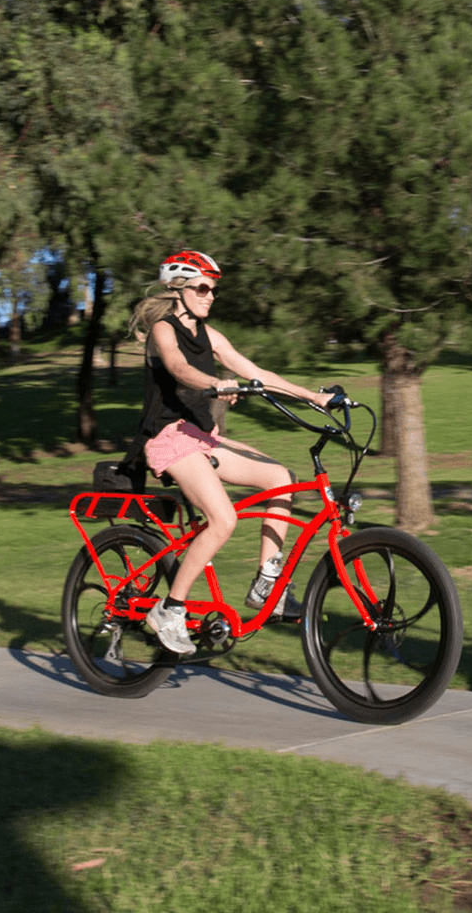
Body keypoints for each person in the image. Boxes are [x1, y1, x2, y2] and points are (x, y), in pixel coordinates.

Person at [127, 250, 337, 654]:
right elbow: (178, 367)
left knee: (281, 479)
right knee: (223, 519)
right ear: (178, 288)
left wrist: (314, 397)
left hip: (201, 437)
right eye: (202, 288)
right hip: (169, 438)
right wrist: (216, 383)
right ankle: (170, 609)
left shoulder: (211, 336)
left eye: (213, 290)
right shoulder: (163, 330)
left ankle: (267, 585)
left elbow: (257, 373)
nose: (210, 296)